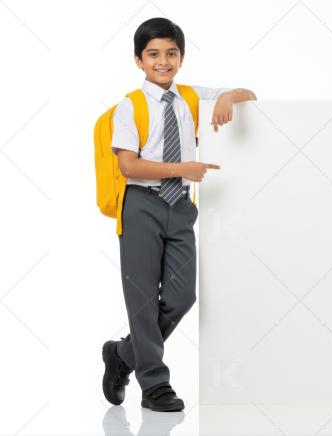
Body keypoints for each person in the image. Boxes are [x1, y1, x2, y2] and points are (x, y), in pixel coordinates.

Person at [101, 17, 257, 412]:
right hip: (141, 204)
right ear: (138, 60)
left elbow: (249, 94)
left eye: (171, 53)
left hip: (181, 207)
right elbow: (129, 166)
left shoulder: (191, 97)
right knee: (142, 302)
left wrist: (227, 97)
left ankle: (122, 354)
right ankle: (155, 385)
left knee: (181, 296)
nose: (163, 61)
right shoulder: (130, 106)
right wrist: (182, 169)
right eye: (153, 54)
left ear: (181, 57)